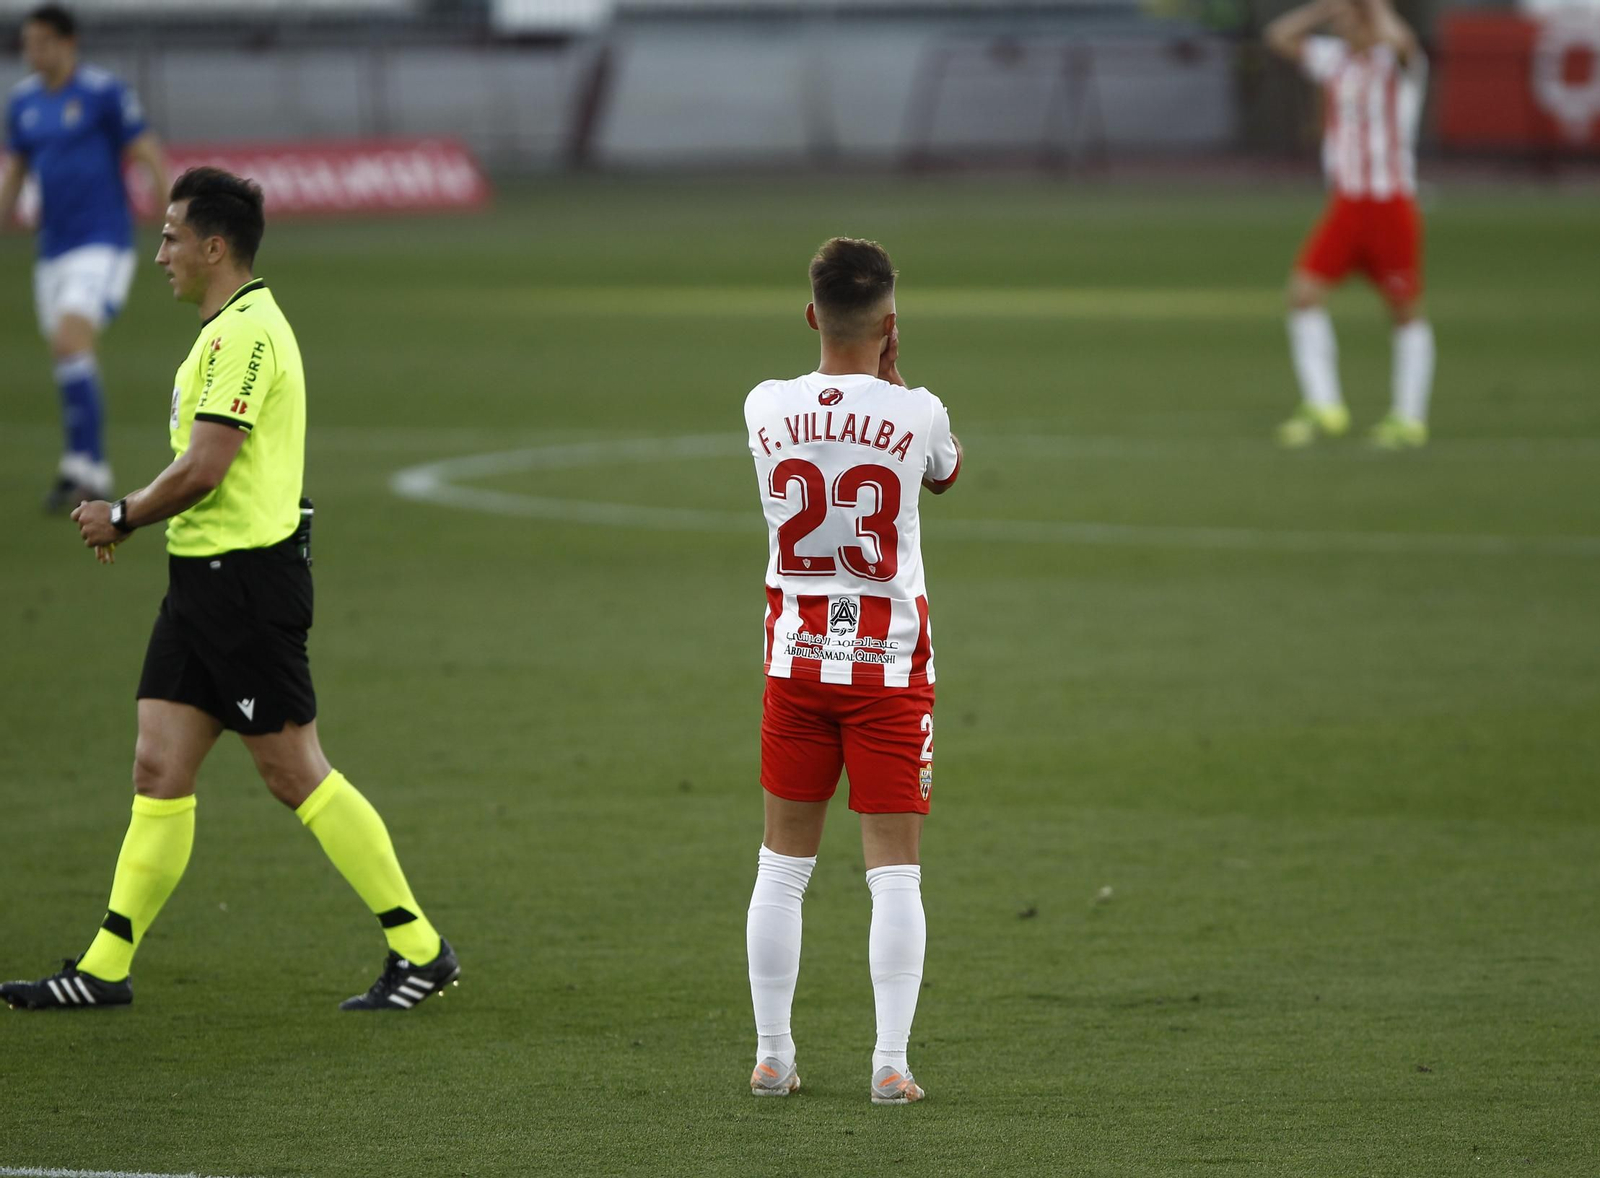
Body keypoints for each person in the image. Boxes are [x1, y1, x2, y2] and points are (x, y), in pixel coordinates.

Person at [1, 167, 458, 1013]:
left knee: (294, 772)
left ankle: (420, 948)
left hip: (245, 584)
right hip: (202, 585)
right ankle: (104, 967)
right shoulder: (224, 330)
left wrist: (123, 514)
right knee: (158, 765)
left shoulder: (246, 335)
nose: (160, 253)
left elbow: (207, 467)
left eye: (172, 236)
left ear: (215, 247)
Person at [742, 237, 961, 1104]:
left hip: (794, 663)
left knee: (781, 867)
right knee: (893, 872)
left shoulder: (762, 405)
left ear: (810, 316)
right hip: (888, 671)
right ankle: (890, 1064)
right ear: (891, 324)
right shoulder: (920, 411)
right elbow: (943, 475)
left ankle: (771, 1056)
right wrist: (896, 385)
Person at [2, 4, 168, 508]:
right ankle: (82, 465)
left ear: (66, 43)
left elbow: (146, 153)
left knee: (71, 340)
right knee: (67, 353)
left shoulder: (103, 93)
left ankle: (89, 470)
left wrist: (172, 221)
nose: (31, 52)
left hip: (102, 241)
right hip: (52, 247)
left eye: (40, 42)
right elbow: (16, 171)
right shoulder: (22, 101)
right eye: (27, 42)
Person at [1266, 0, 1435, 450]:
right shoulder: (1333, 59)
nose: (1346, 24)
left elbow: (1403, 42)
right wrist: (1322, 9)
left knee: (1404, 311)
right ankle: (1324, 404)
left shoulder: (1398, 63)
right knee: (1303, 296)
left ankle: (1408, 416)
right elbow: (1278, 37)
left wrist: (1372, 7)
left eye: (1352, 16)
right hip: (1345, 204)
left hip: (1389, 205)